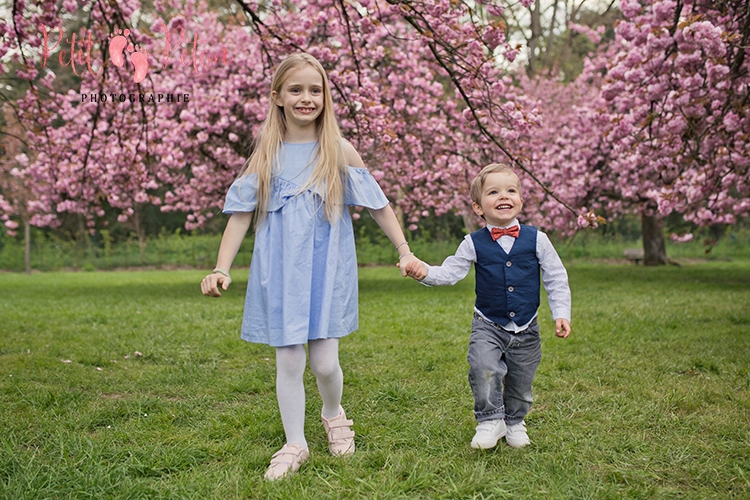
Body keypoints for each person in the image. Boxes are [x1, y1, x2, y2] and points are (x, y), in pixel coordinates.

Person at [200, 53, 419, 480]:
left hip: (325, 271)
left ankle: (334, 414)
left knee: (323, 364)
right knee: (288, 362)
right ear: (277, 97)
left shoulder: (337, 150)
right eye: (296, 90)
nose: (306, 98)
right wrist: (222, 267)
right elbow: (240, 216)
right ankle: (294, 442)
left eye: (315, 90)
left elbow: (378, 205)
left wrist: (404, 249)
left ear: (326, 96)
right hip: (280, 272)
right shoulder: (266, 154)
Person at [402, 163, 571, 450]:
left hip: (527, 327)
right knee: (482, 367)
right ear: (479, 207)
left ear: (521, 200)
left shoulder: (537, 239)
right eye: (493, 192)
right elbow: (450, 272)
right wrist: (424, 272)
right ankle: (490, 419)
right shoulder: (473, 243)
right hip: (488, 324)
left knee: (521, 379)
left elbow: (556, 276)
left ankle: (515, 421)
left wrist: (561, 313)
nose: (504, 196)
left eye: (511, 191)